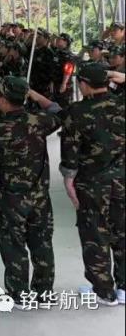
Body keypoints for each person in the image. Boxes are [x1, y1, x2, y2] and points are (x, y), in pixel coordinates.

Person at [0, 77, 62, 308]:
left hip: (10, 198)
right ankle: (44, 293)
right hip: (40, 196)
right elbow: (58, 111)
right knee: (42, 244)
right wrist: (34, 94)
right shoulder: (39, 121)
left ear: (3, 100)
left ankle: (19, 295)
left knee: (13, 246)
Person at [60, 63, 125, 306]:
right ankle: (124, 288)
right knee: (123, 232)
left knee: (95, 235)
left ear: (85, 85)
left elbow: (70, 152)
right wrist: (120, 76)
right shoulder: (122, 104)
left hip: (92, 183)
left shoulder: (77, 112)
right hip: (122, 180)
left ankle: (104, 291)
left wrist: (69, 180)